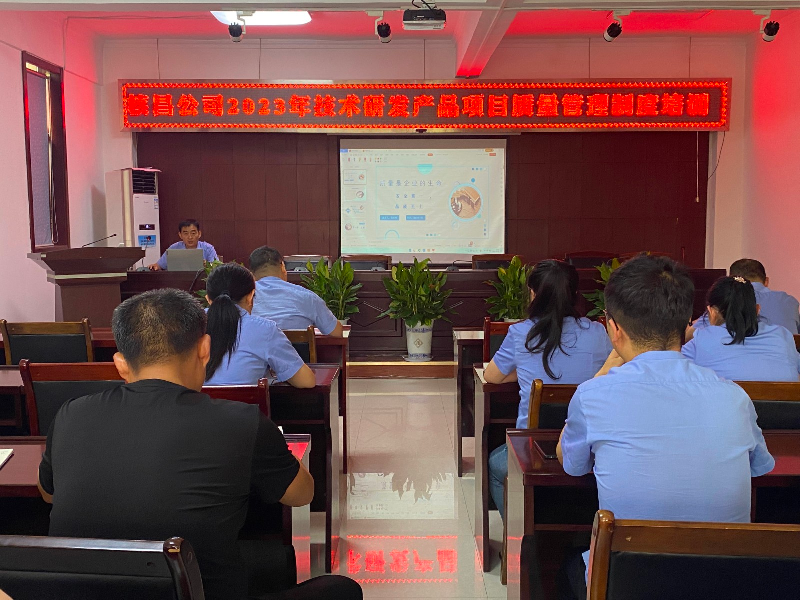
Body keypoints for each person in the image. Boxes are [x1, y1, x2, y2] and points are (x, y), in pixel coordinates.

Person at [37, 288, 361, 600]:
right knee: (341, 589)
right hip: (201, 591)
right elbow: (302, 494)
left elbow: (49, 492)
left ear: (120, 364)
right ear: (205, 348)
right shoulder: (241, 421)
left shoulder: (70, 414)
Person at [557, 255, 775, 599]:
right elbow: (760, 467)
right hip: (726, 583)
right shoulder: (734, 396)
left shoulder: (594, 395)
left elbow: (571, 464)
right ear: (688, 323)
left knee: (560, 563)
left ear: (614, 328)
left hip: (631, 584)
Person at [483, 260, 612, 519]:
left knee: (496, 464)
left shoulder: (520, 332)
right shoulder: (598, 332)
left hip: (532, 446)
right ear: (575, 294)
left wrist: (525, 371)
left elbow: (491, 376)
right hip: (588, 445)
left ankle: (518, 532)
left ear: (533, 293)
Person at [205, 263, 316, 387]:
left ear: (208, 299)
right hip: (246, 400)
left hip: (196, 400)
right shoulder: (265, 330)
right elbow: (306, 382)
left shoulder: (191, 325)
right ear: (250, 296)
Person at [681, 276, 800, 381]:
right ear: (757, 310)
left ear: (712, 312)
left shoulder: (701, 340)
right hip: (782, 400)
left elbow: (675, 368)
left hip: (727, 400)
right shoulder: (783, 336)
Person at [250, 246, 344, 337]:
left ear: (251, 274)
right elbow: (337, 332)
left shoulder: (244, 298)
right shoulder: (307, 296)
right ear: (283, 267)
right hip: (294, 349)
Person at [690, 258, 800, 334]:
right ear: (766, 281)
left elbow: (691, 335)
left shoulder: (730, 299)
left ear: (731, 281)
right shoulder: (790, 301)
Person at [149, 219, 218, 271]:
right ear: (180, 235)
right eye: (186, 233)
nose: (190, 237)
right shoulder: (174, 248)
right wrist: (154, 266)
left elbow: (217, 268)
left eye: (193, 233)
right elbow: (159, 265)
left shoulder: (208, 248)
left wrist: (208, 265)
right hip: (178, 281)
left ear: (199, 234)